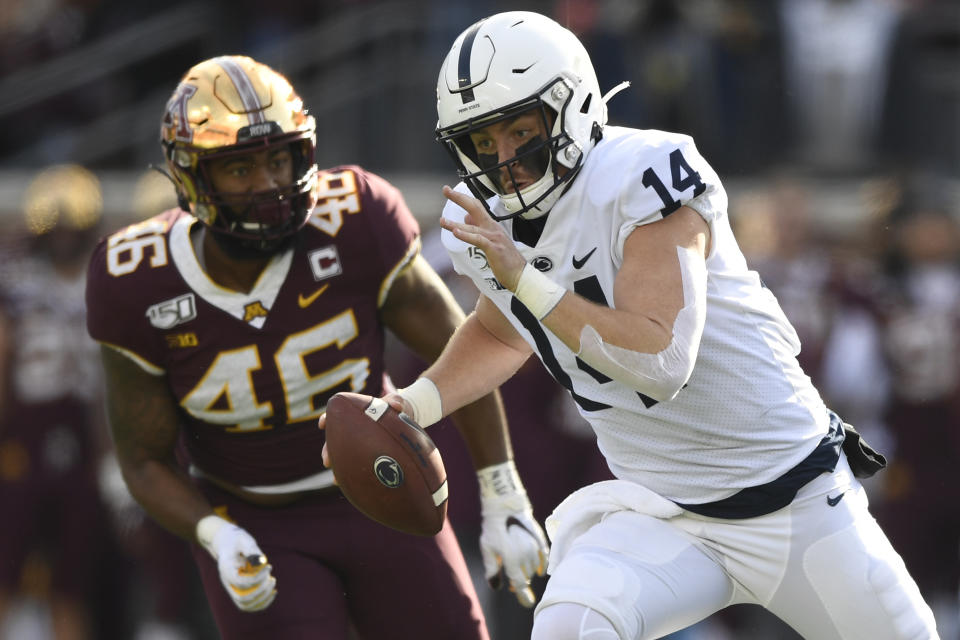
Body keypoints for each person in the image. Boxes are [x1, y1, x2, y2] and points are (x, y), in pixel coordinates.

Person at [380, 11, 940, 639]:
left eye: (519, 130)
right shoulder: (486, 224)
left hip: (795, 502)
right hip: (660, 511)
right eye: (484, 142)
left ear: (571, 107)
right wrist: (413, 405)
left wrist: (524, 279)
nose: (505, 161)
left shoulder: (645, 171)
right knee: (569, 627)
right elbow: (503, 330)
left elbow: (659, 360)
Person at [85, 55, 548, 640]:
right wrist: (214, 535)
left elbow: (464, 352)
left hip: (384, 490)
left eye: (278, 159)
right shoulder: (136, 278)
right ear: (191, 177)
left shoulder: (356, 218)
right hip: (254, 518)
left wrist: (502, 492)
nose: (269, 184)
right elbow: (143, 459)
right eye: (240, 169)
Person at [0, 164, 109, 640]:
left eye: (73, 227)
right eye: (55, 228)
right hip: (24, 434)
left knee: (74, 582)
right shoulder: (17, 282)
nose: (64, 237)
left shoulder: (105, 280)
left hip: (85, 437)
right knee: (6, 568)